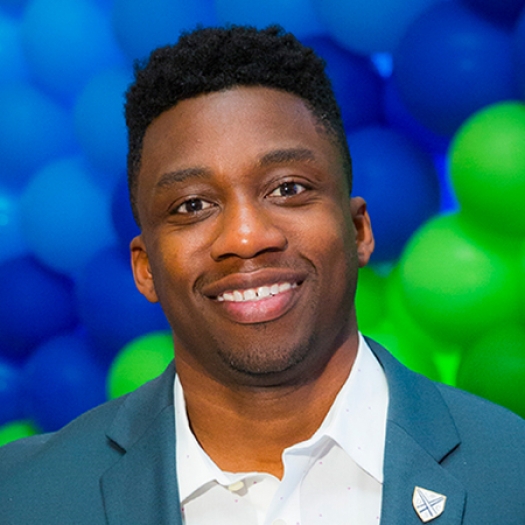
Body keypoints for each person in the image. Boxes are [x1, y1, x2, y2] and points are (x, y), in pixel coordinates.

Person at [1, 25, 524, 525]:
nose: (245, 237)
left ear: (359, 229)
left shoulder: (511, 473)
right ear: (145, 269)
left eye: (288, 189)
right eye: (193, 204)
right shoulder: (23, 496)